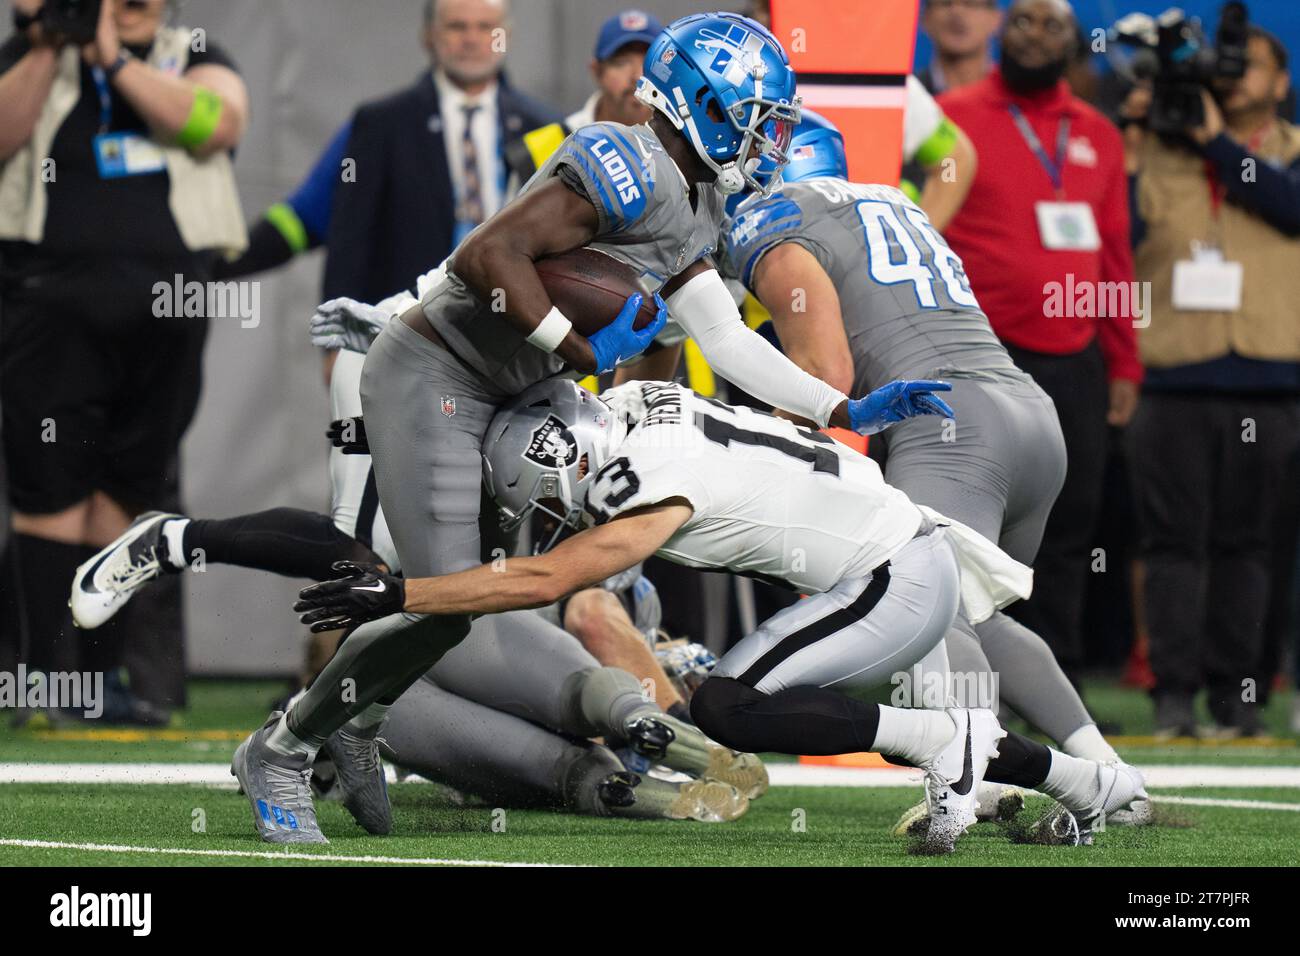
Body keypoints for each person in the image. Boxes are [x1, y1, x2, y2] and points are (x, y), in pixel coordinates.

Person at [232, 12, 915, 846]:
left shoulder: (697, 193)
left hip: (520, 397)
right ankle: (285, 745)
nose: (768, 138)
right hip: (440, 376)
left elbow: (726, 338)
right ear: (698, 101)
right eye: (755, 116)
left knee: (483, 603)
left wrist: (838, 409)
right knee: (446, 604)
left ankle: (363, 714)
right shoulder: (622, 157)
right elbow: (488, 256)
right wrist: (582, 346)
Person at [299, 379, 1147, 855]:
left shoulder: (637, 475)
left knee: (725, 707)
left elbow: (548, 575)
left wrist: (405, 592)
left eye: (552, 495)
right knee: (732, 699)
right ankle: (1087, 782)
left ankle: (941, 740)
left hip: (892, 573)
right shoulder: (633, 400)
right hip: (890, 554)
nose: (563, 511)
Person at [719, 111, 1149, 831]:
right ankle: (1109, 773)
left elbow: (827, 372)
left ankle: (971, 776)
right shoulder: (895, 200)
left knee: (928, 604)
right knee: (969, 613)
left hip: (951, 427)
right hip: (1030, 415)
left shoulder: (774, 218)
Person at [0, 0, 248, 718]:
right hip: (48, 306)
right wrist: (53, 41)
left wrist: (114, 59)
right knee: (50, 491)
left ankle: (104, 683)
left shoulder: (195, 51)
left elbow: (216, 124)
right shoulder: (33, 55)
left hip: (167, 315)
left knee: (129, 491)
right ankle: (47, 681)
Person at [937, 0, 1143, 682]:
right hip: (977, 351)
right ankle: (959, 674)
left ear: (1074, 42)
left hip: (1075, 357)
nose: (1035, 34)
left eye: (1051, 24)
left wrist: (1124, 361)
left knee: (1070, 520)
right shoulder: (953, 117)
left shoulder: (1099, 135)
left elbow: (1114, 255)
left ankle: (1051, 681)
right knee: (969, 518)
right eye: (1022, 19)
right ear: (1003, 30)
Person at [1121, 26, 1300, 736]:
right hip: (1171, 377)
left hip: (1271, 380)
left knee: (1252, 550)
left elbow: (1288, 206)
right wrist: (1136, 151)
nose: (1231, 77)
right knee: (1171, 548)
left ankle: (1240, 700)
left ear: (1282, 82)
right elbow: (1119, 232)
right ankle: (1172, 698)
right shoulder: (1155, 151)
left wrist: (1218, 142)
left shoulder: (1289, 150)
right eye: (1220, 68)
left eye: (1247, 66)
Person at [321, 0, 560, 305]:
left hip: (513, 320)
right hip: (406, 320)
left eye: (485, 27)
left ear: (506, 36)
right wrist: (335, 337)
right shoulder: (382, 123)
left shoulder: (544, 126)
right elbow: (350, 239)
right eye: (456, 26)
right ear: (429, 36)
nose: (471, 39)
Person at [917, 0, 1000, 95]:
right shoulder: (906, 94)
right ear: (925, 18)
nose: (957, 12)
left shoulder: (1015, 94)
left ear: (996, 18)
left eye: (970, 4)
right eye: (946, 3)